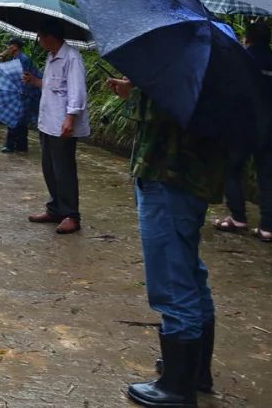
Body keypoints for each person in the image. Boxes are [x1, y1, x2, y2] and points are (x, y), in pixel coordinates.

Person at [108, 78, 225, 406]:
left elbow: (165, 113)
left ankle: (177, 386)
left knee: (172, 280)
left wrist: (141, 90)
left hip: (170, 178)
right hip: (186, 181)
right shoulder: (206, 65)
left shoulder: (181, 70)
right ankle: (194, 369)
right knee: (188, 271)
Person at [213, 21, 272, 242]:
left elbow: (227, 95)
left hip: (241, 129)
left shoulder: (239, 64)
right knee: (267, 176)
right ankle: (267, 227)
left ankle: (238, 217)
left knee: (232, 170)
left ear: (247, 39)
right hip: (271, 132)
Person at [27, 20, 89, 234]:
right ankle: (55, 209)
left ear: (50, 36)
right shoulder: (51, 57)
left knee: (64, 170)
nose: (39, 41)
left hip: (62, 124)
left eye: (40, 37)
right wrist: (36, 81)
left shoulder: (71, 57)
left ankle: (71, 215)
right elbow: (53, 86)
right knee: (50, 168)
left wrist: (70, 118)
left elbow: (77, 91)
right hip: (48, 122)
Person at [0, 37, 41, 154]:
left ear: (15, 47)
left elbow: (25, 78)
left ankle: (13, 146)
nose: (7, 48)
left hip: (27, 93)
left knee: (16, 118)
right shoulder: (17, 58)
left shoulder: (23, 59)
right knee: (19, 120)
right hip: (23, 93)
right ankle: (19, 147)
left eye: (9, 46)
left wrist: (23, 92)